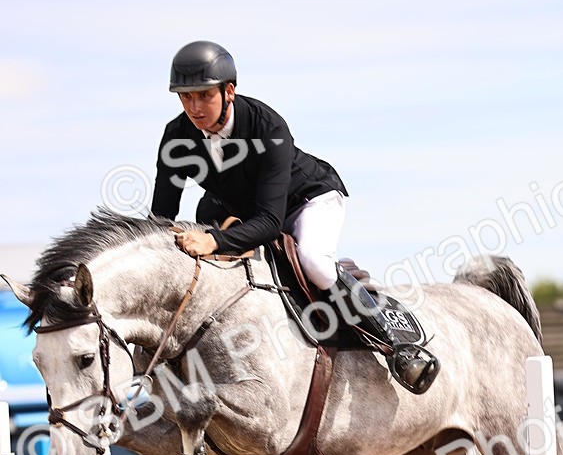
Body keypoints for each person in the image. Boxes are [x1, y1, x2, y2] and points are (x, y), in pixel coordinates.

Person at [151, 40, 438, 394]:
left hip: (307, 201)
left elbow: (270, 222)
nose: (194, 108)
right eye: (185, 97)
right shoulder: (177, 137)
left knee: (314, 262)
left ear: (229, 91)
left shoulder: (268, 127)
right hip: (243, 208)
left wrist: (214, 240)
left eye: (204, 96)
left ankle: (396, 345)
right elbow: (161, 217)